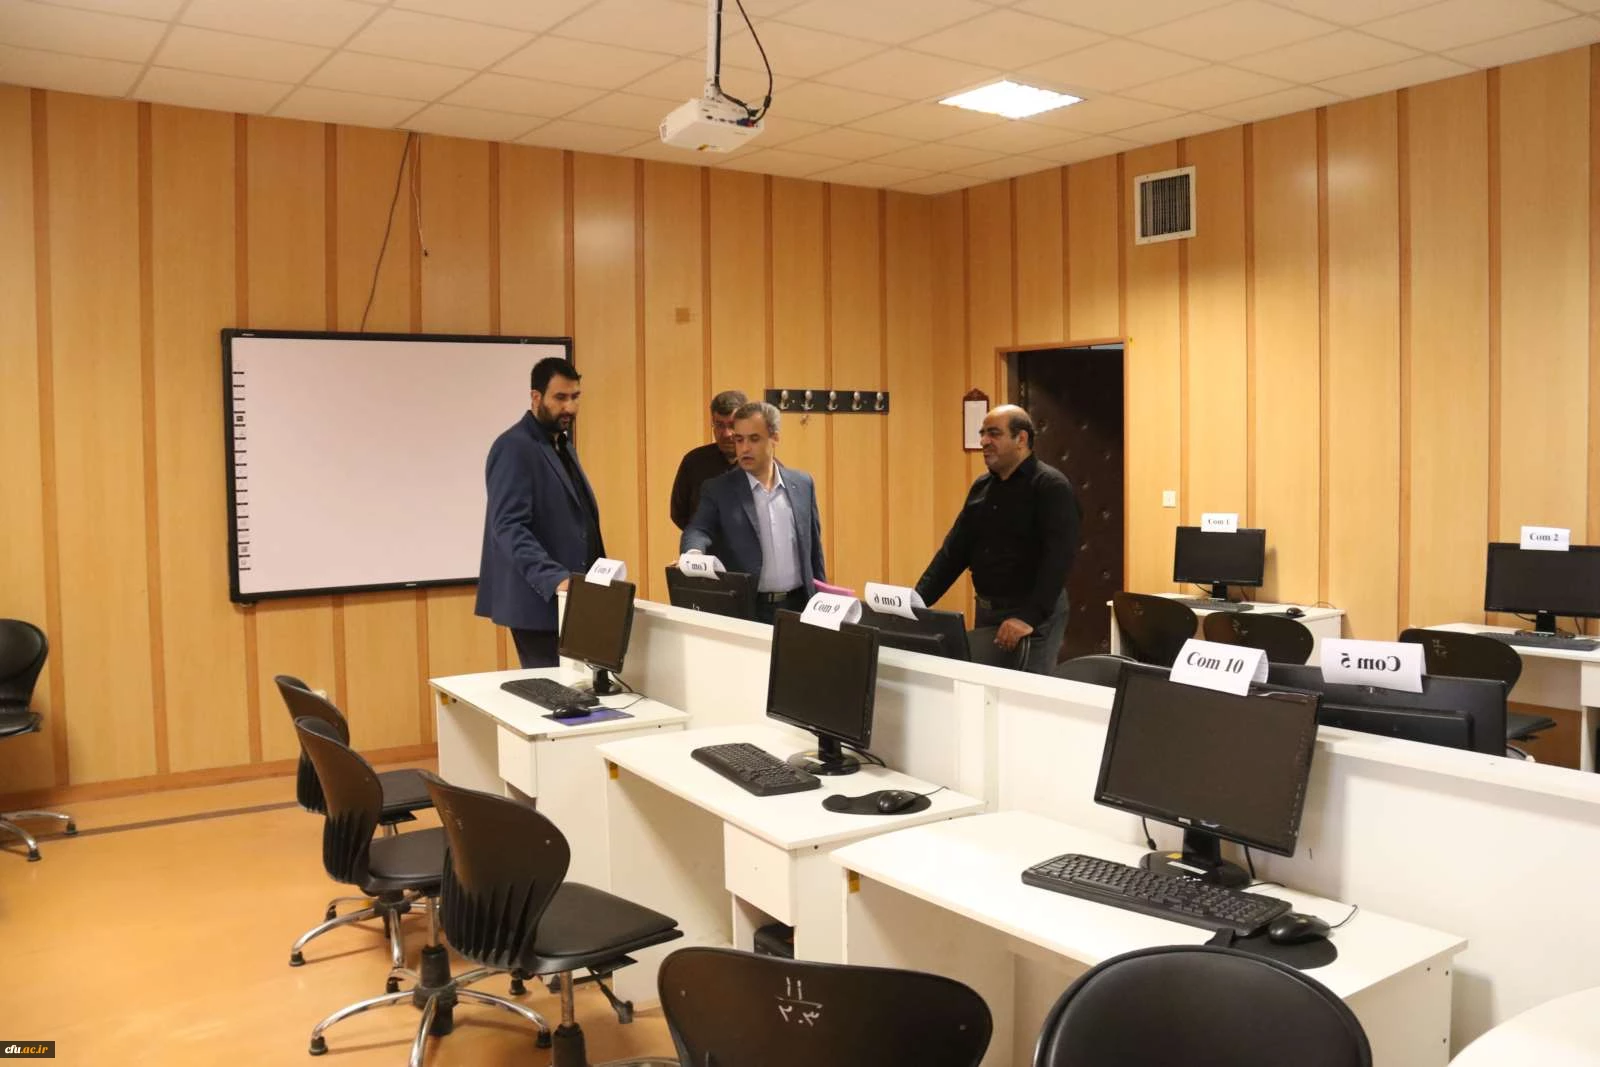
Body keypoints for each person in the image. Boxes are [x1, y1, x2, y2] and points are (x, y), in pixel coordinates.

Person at [915, 405, 1081, 674]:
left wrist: (1028, 617)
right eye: (982, 434)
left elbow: (1059, 558)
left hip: (1033, 617)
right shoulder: (981, 488)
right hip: (988, 610)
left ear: (1021, 439)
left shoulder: (1050, 486)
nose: (984, 441)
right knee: (986, 689)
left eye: (994, 433)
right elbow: (953, 553)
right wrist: (917, 601)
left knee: (1027, 693)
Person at [475, 356, 604, 668]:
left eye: (575, 397)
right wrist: (555, 578)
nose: (569, 407)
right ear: (536, 397)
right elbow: (508, 526)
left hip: (573, 600)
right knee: (552, 694)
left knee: (580, 689)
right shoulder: (514, 446)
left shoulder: (561, 445)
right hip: (539, 603)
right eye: (560, 397)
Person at [681, 400, 826, 624]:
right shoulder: (718, 489)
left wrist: (821, 603)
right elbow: (697, 529)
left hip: (799, 606)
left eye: (754, 439)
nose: (745, 448)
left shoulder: (802, 484)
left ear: (775, 437)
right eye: (739, 440)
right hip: (748, 608)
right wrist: (693, 555)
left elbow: (814, 550)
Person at [670, 389, 748, 530]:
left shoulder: (764, 466)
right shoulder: (694, 462)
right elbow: (679, 512)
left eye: (732, 425)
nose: (726, 433)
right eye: (719, 425)